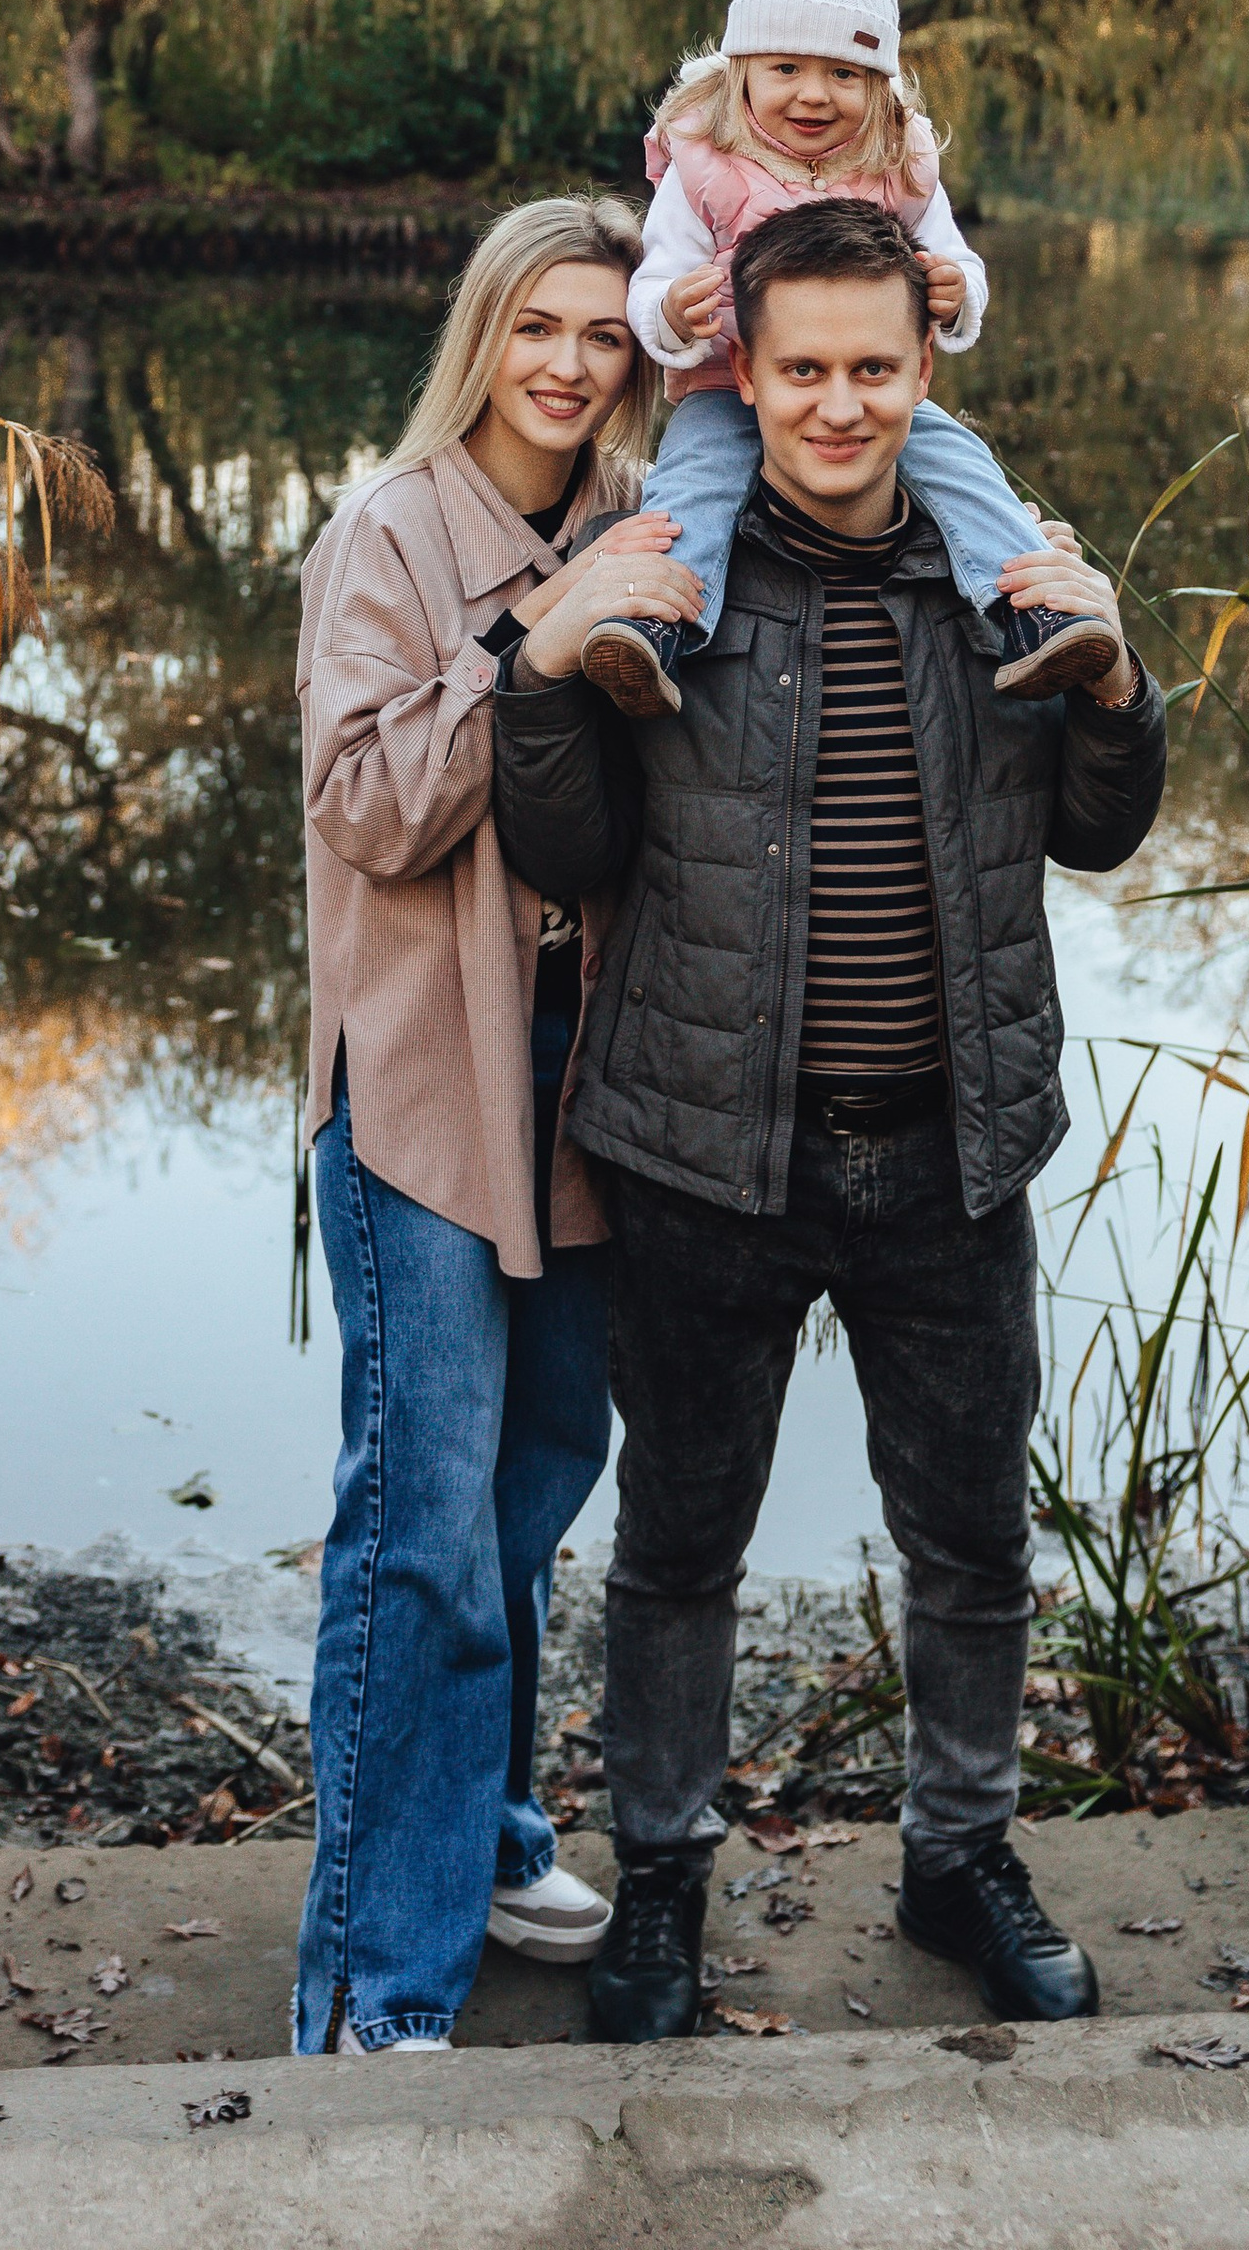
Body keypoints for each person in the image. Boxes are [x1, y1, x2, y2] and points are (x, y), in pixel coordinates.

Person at [491, 194, 1168, 2040]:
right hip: (710, 1153)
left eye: (876, 369)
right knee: (679, 1547)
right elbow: (568, 846)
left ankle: (961, 1862)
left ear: (921, 366)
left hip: (950, 1157)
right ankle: (660, 1892)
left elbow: (1100, 831)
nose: (843, 404)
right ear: (747, 372)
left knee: (966, 1544)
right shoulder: (673, 577)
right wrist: (541, 670)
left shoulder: (1005, 569)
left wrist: (1116, 677)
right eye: (806, 371)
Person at [291, 194, 702, 2055]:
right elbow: (370, 810)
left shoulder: (638, 525)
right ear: (483, 334)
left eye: (603, 337)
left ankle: (492, 1832)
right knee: (424, 1535)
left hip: (586, 1085)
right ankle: (375, 1982)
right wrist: (535, 644)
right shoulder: (389, 530)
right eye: (539, 326)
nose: (567, 364)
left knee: (533, 1502)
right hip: (430, 1090)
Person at [577, 0, 1110, 723]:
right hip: (722, 383)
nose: (813, 94)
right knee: (691, 490)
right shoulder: (705, 164)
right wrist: (673, 312)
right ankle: (659, 626)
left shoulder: (899, 163)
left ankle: (1034, 612)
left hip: (853, 383)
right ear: (743, 71)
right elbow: (652, 282)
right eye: (785, 68)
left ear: (880, 83)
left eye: (842, 73)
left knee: (962, 465)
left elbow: (955, 256)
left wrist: (953, 291)